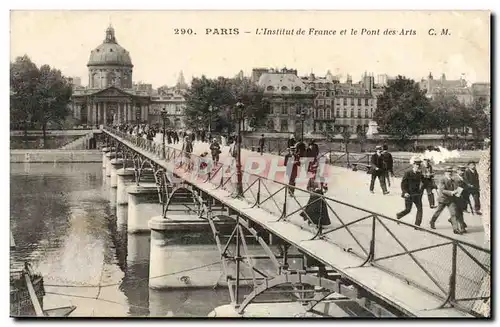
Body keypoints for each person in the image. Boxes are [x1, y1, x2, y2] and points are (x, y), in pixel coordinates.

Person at [429, 167, 464, 234]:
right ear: (445, 173)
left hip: (451, 199)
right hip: (443, 199)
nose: (450, 173)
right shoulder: (442, 179)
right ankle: (432, 221)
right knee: (438, 212)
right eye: (448, 172)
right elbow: (442, 190)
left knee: (453, 213)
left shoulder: (453, 180)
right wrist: (451, 192)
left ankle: (455, 229)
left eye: (451, 172)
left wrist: (458, 191)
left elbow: (457, 186)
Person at [396, 159, 424, 226]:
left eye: (419, 165)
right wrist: (405, 192)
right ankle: (399, 215)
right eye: (416, 165)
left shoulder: (420, 173)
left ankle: (417, 225)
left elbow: (424, 182)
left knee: (420, 209)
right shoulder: (408, 173)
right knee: (408, 210)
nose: (418, 166)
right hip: (409, 194)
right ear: (413, 165)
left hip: (417, 195)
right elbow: (403, 184)